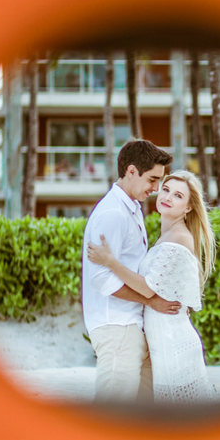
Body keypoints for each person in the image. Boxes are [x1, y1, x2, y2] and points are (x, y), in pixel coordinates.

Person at [87, 170, 216, 402]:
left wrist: (110, 262)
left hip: (173, 341)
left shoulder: (179, 237)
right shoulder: (166, 235)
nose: (167, 197)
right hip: (161, 341)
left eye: (178, 195)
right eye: (166, 190)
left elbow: (148, 288)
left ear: (188, 207)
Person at [81, 139, 180, 403]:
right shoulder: (112, 214)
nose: (156, 189)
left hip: (132, 326)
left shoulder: (130, 208)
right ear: (132, 171)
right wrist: (151, 300)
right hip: (117, 327)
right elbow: (102, 280)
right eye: (152, 180)